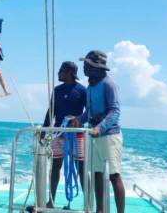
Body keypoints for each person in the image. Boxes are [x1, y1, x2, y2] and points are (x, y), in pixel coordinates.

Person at [69, 50, 125, 213]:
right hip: (93, 135)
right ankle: (99, 210)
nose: (84, 67)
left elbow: (115, 111)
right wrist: (79, 119)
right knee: (97, 173)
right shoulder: (91, 87)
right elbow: (89, 111)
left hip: (109, 136)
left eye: (86, 64)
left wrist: (99, 128)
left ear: (94, 66)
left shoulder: (109, 84)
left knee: (114, 175)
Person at [40, 61, 87, 209]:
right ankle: (51, 201)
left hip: (76, 135)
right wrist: (44, 130)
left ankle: (88, 203)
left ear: (68, 72)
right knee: (55, 168)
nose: (58, 73)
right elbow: (51, 112)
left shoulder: (82, 90)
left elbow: (89, 112)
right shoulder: (57, 90)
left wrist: (78, 120)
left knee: (81, 169)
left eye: (60, 71)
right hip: (58, 134)